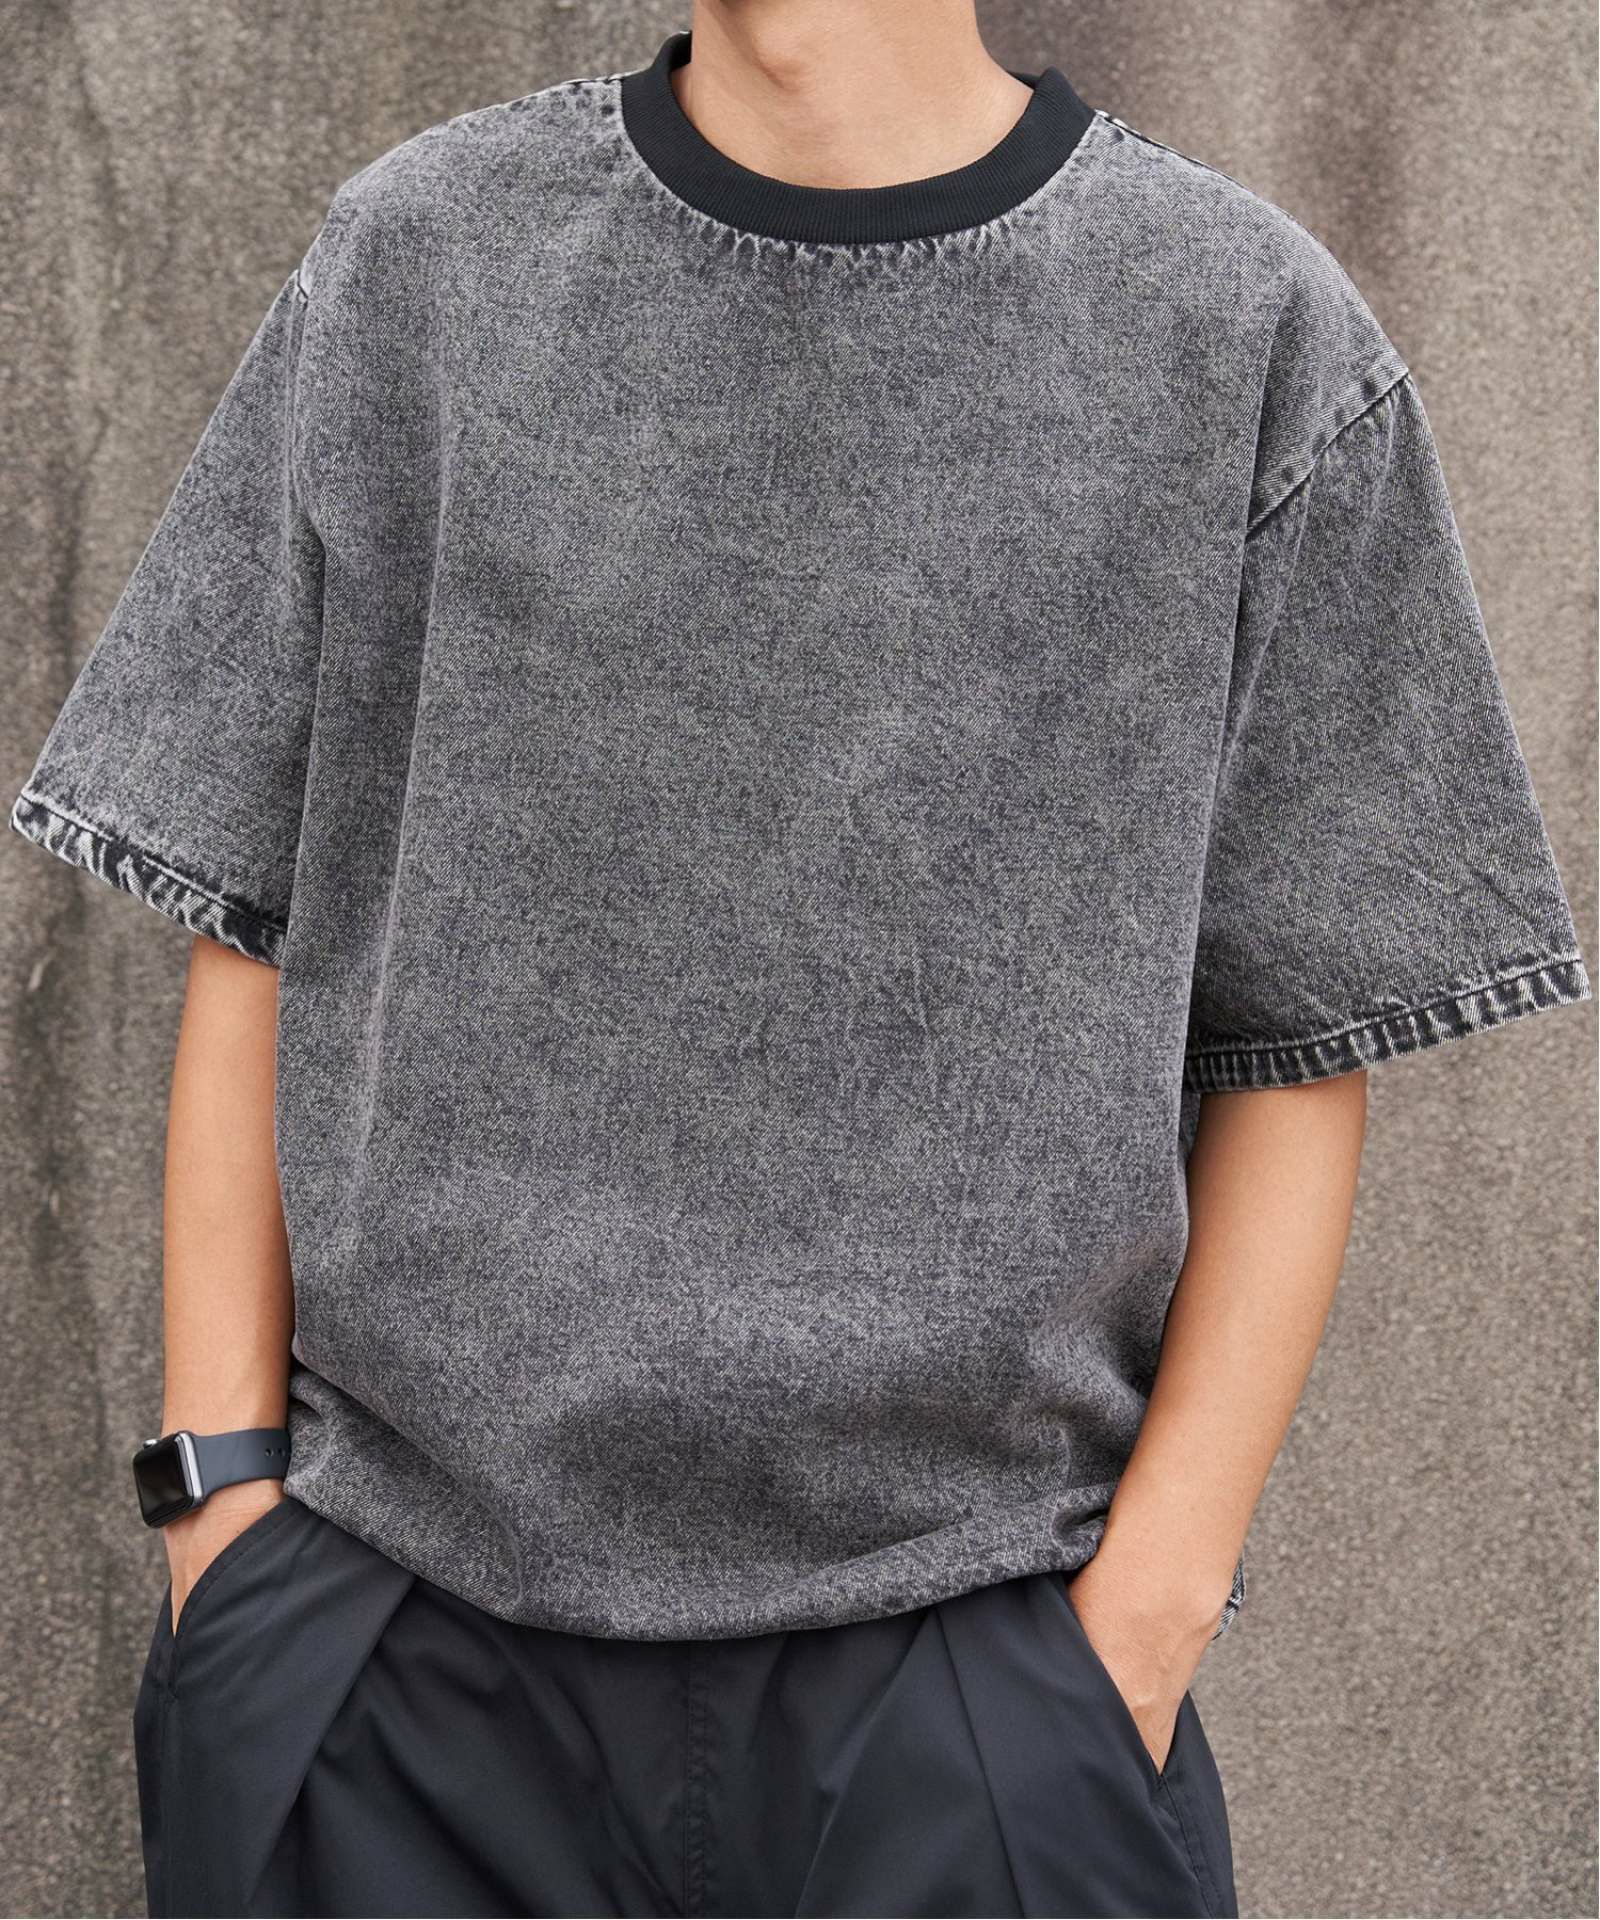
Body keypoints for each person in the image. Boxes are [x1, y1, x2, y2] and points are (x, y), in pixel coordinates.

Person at [12, 4, 1590, 1916]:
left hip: (975, 1693)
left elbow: (1301, 1039)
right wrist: (225, 1522)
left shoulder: (1237, 325)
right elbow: (253, 920)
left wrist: (1142, 1626)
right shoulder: (422, 261)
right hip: (395, 1668)